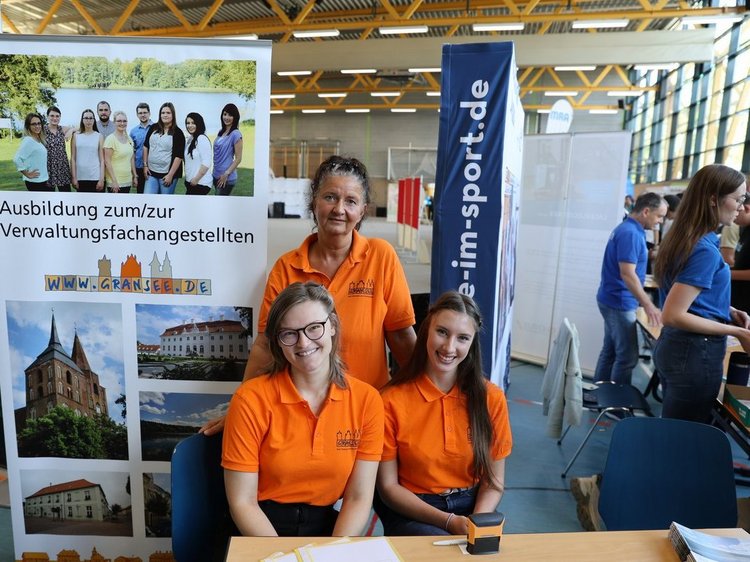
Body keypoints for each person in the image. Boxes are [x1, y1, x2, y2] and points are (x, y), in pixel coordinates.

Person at [200, 155, 416, 436]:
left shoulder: (381, 257)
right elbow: (266, 348)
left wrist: (426, 400)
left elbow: (402, 337)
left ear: (362, 210)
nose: (339, 209)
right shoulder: (287, 268)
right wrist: (241, 406)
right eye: (330, 197)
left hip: (368, 417)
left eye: (350, 201)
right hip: (303, 418)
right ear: (314, 202)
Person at [222, 282, 384, 537]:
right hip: (261, 528)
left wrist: (334, 553)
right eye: (290, 333)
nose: (303, 342)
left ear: (332, 325)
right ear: (278, 341)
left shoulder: (367, 400)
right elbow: (243, 503)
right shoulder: (249, 399)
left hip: (329, 529)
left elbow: (358, 498)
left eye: (314, 328)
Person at [375, 291, 512, 535]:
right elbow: (388, 488)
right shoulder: (390, 401)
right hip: (414, 510)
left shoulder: (492, 398)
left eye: (462, 338)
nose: (449, 347)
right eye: (442, 332)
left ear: (471, 344)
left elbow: (493, 483)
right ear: (427, 330)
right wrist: (449, 522)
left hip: (473, 506)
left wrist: (476, 526)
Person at [653, 164, 750, 423]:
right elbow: (673, 314)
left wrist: (726, 310)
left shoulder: (686, 236)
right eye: (738, 199)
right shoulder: (704, 249)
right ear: (712, 199)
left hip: (677, 348)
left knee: (676, 431)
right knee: (683, 439)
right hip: (693, 353)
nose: (742, 206)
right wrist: (737, 332)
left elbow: (684, 292)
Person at [594, 192, 667, 386]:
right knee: (627, 358)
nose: (659, 222)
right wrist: (648, 305)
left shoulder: (628, 229)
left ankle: (599, 395)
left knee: (610, 351)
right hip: (619, 302)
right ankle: (618, 405)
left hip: (613, 299)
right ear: (645, 211)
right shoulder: (631, 233)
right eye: (659, 216)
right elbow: (627, 274)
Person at [143, 102, 185, 195]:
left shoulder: (178, 133)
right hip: (151, 173)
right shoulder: (153, 127)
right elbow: (146, 146)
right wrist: (145, 165)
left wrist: (170, 175)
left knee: (165, 203)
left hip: (167, 175)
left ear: (173, 115)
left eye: (168, 113)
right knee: (148, 199)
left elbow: (179, 156)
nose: (165, 115)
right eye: (163, 113)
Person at [13, 112, 52, 192]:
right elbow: (17, 158)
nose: (37, 126)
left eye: (39, 123)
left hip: (43, 180)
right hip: (35, 182)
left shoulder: (38, 139)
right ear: (28, 126)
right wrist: (27, 173)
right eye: (33, 124)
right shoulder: (28, 140)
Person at [70, 109, 104, 193]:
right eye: (86, 118)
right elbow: (73, 159)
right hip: (80, 177)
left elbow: (102, 160)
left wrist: (101, 179)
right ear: (82, 120)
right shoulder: (76, 136)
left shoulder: (99, 136)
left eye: (90, 118)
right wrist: (74, 178)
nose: (88, 121)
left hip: (95, 177)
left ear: (94, 120)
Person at [212, 103, 243, 195]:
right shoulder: (221, 132)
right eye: (225, 114)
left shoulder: (236, 134)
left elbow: (238, 159)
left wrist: (226, 174)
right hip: (216, 175)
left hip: (226, 178)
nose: (226, 117)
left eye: (230, 115)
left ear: (235, 117)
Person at [103, 110, 137, 194]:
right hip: (115, 182)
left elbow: (132, 158)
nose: (122, 123)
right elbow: (107, 162)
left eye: (124, 121)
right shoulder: (110, 139)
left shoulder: (129, 138)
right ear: (114, 122)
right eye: (119, 121)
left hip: (127, 180)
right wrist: (114, 181)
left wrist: (135, 176)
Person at [43, 106, 72, 192]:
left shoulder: (62, 129)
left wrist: (71, 131)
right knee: (49, 195)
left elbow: (78, 128)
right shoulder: (42, 130)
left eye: (57, 116)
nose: (55, 118)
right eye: (52, 116)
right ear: (47, 116)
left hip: (62, 167)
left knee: (66, 194)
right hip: (48, 167)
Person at [183, 112, 212, 195]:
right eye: (188, 123)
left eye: (193, 123)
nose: (190, 125)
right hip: (191, 183)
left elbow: (206, 162)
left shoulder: (201, 138)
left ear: (199, 124)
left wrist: (196, 179)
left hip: (200, 184)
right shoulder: (191, 139)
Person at [130, 102, 153, 194]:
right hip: (139, 167)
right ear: (137, 115)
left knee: (153, 194)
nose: (143, 115)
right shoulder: (133, 132)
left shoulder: (157, 128)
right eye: (140, 113)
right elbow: (132, 152)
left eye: (145, 112)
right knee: (140, 193)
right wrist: (133, 173)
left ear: (149, 113)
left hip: (153, 167)